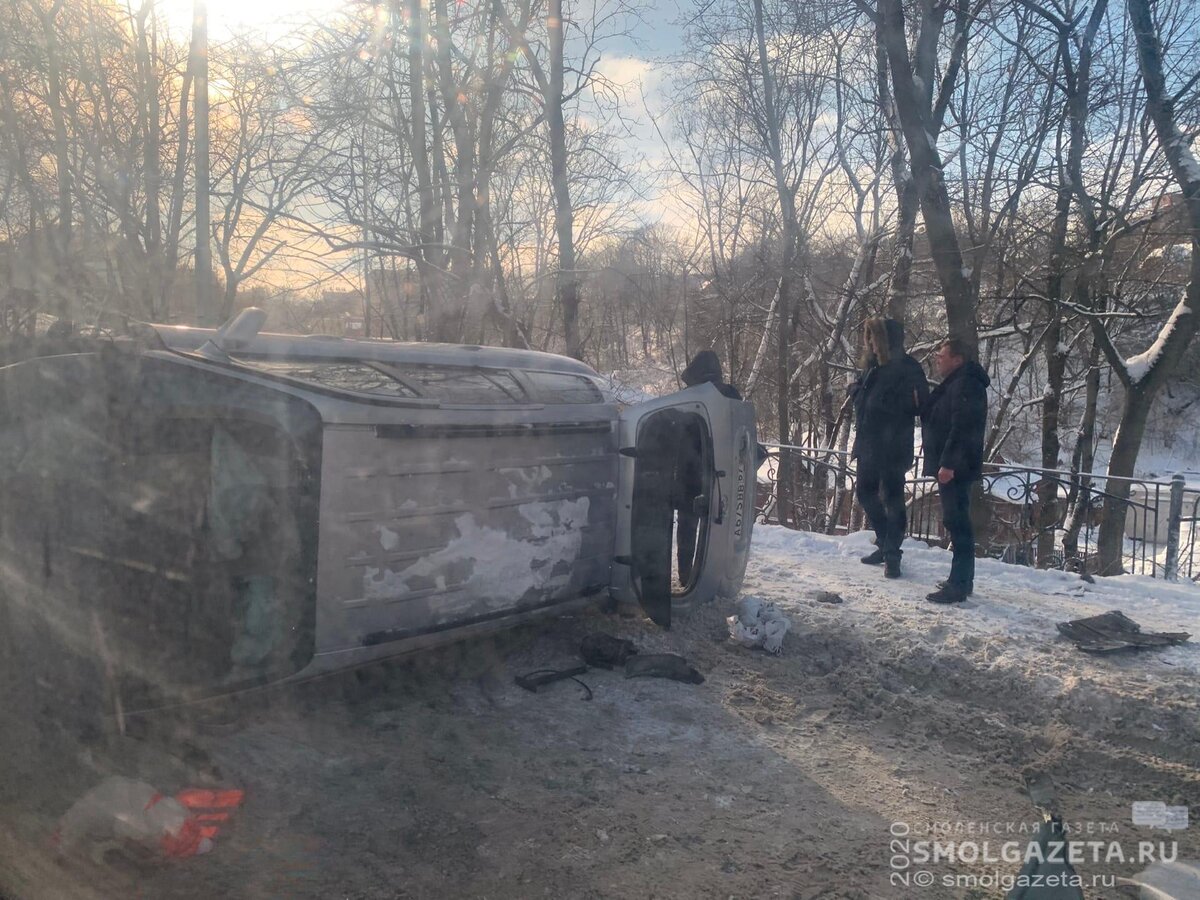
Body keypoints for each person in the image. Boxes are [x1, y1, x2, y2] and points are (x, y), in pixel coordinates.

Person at [850, 318, 929, 579]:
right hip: (869, 444)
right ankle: (885, 543)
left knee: (893, 499)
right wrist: (856, 391)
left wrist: (889, 404)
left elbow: (920, 404)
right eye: (868, 337)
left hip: (893, 446)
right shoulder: (871, 367)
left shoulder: (908, 367)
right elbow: (866, 399)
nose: (870, 342)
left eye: (873, 337)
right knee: (864, 493)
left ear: (885, 340)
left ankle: (893, 554)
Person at [920, 337, 990, 604]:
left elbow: (961, 427)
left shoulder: (966, 384)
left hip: (956, 467)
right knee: (956, 521)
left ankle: (959, 585)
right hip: (954, 465)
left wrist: (948, 463)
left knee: (958, 523)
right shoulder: (958, 382)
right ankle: (960, 580)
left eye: (942, 355)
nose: (938, 359)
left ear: (957, 359)